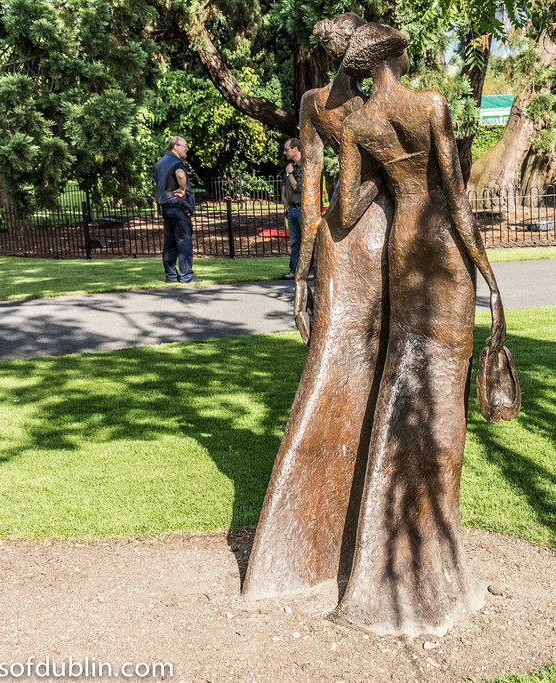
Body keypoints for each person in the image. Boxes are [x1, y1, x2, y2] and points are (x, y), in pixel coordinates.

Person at [327, 22, 511, 636]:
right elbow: (457, 198)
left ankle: (399, 529)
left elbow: (345, 210)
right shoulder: (430, 104)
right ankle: (436, 534)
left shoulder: (356, 125)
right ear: (395, 57)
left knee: (407, 372)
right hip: (441, 246)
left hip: (403, 247)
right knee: (442, 384)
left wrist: (378, 176)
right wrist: (488, 273)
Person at [242, 12, 393, 602]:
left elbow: (313, 184)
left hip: (345, 233)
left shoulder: (318, 103)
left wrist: (304, 265)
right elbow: (316, 179)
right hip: (362, 231)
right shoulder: (365, 106)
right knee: (342, 359)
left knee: (358, 358)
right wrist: (303, 272)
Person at [154, 136, 194, 283]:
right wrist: (183, 189)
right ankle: (186, 277)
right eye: (185, 145)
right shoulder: (177, 162)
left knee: (169, 243)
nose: (187, 148)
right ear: (175, 147)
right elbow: (180, 174)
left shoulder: (159, 163)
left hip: (165, 207)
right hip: (178, 206)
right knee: (184, 242)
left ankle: (171, 276)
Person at [281, 138, 304, 279]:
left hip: (302, 209)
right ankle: (293, 270)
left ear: (295, 149)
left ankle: (310, 271)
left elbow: (298, 187)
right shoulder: (289, 167)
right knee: (295, 242)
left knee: (306, 241)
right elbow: (285, 187)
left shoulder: (303, 167)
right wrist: (284, 201)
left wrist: (290, 174)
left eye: (286, 149)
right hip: (291, 210)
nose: (284, 152)